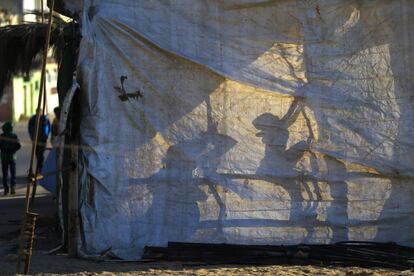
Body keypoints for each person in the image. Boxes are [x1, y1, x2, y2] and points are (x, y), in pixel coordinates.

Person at [0, 122, 21, 195]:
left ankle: (6, 189)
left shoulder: (1, 136)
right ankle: (13, 187)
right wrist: (13, 150)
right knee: (13, 173)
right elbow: (18, 145)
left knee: (5, 173)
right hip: (12, 157)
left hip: (4, 157)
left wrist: (3, 149)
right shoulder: (14, 136)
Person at [28, 109, 51, 174]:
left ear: (41, 112)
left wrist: (46, 136)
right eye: (37, 112)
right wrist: (32, 137)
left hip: (43, 139)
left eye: (40, 112)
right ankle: (39, 168)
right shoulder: (33, 119)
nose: (39, 113)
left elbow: (49, 127)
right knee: (37, 154)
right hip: (35, 139)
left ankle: (40, 168)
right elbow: (29, 129)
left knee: (41, 154)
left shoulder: (45, 119)